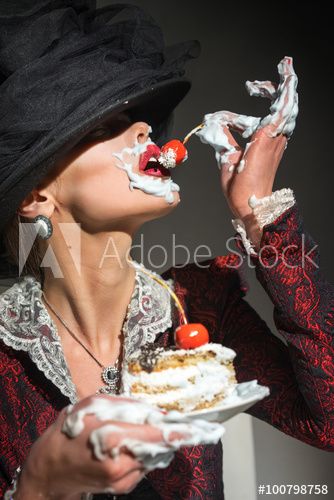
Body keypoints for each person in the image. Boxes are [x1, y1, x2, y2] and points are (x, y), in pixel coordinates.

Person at [0, 1, 333, 499]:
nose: (144, 130)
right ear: (35, 197)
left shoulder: (199, 308)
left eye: (138, 119)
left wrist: (258, 212)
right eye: (101, 126)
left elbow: (327, 422)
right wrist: (41, 486)